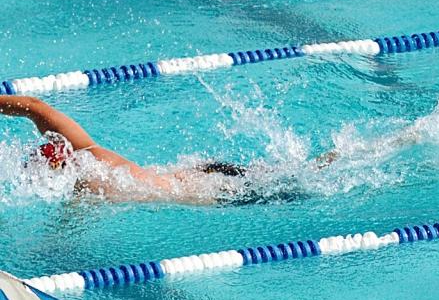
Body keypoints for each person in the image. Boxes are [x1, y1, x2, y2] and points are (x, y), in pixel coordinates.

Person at [0, 94, 251, 205]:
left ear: (58, 165)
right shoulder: (88, 154)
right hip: (195, 176)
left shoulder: (89, 178)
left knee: (269, 189)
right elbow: (34, 106)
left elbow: (34, 106)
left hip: (209, 191)